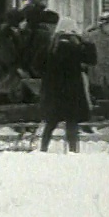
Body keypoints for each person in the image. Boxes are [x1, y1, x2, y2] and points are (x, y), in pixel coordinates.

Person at [39, 17, 97, 153]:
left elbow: (38, 64)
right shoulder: (75, 46)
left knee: (51, 122)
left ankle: (43, 148)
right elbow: (92, 60)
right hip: (72, 88)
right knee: (72, 122)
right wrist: (87, 42)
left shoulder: (51, 46)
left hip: (53, 89)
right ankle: (73, 149)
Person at [0, 8, 27, 105]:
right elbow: (8, 54)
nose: (25, 23)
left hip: (7, 66)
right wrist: (16, 67)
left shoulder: (18, 33)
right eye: (23, 21)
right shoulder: (6, 34)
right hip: (0, 67)